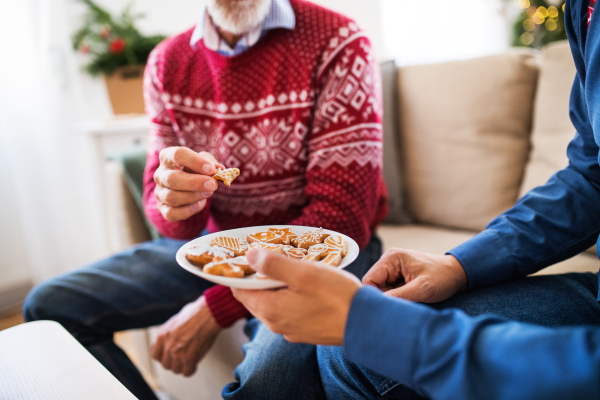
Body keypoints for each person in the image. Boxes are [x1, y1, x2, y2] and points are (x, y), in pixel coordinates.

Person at [232, 0, 600, 399]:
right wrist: (457, 265)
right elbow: (589, 176)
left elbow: (342, 210)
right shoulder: (584, 8)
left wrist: (401, 336)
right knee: (347, 351)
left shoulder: (335, 39)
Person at [22, 0, 387, 399]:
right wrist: (176, 201)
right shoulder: (166, 62)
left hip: (324, 253)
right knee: (49, 307)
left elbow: (342, 217)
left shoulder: (339, 43)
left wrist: (218, 305)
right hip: (216, 246)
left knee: (267, 385)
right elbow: (169, 222)